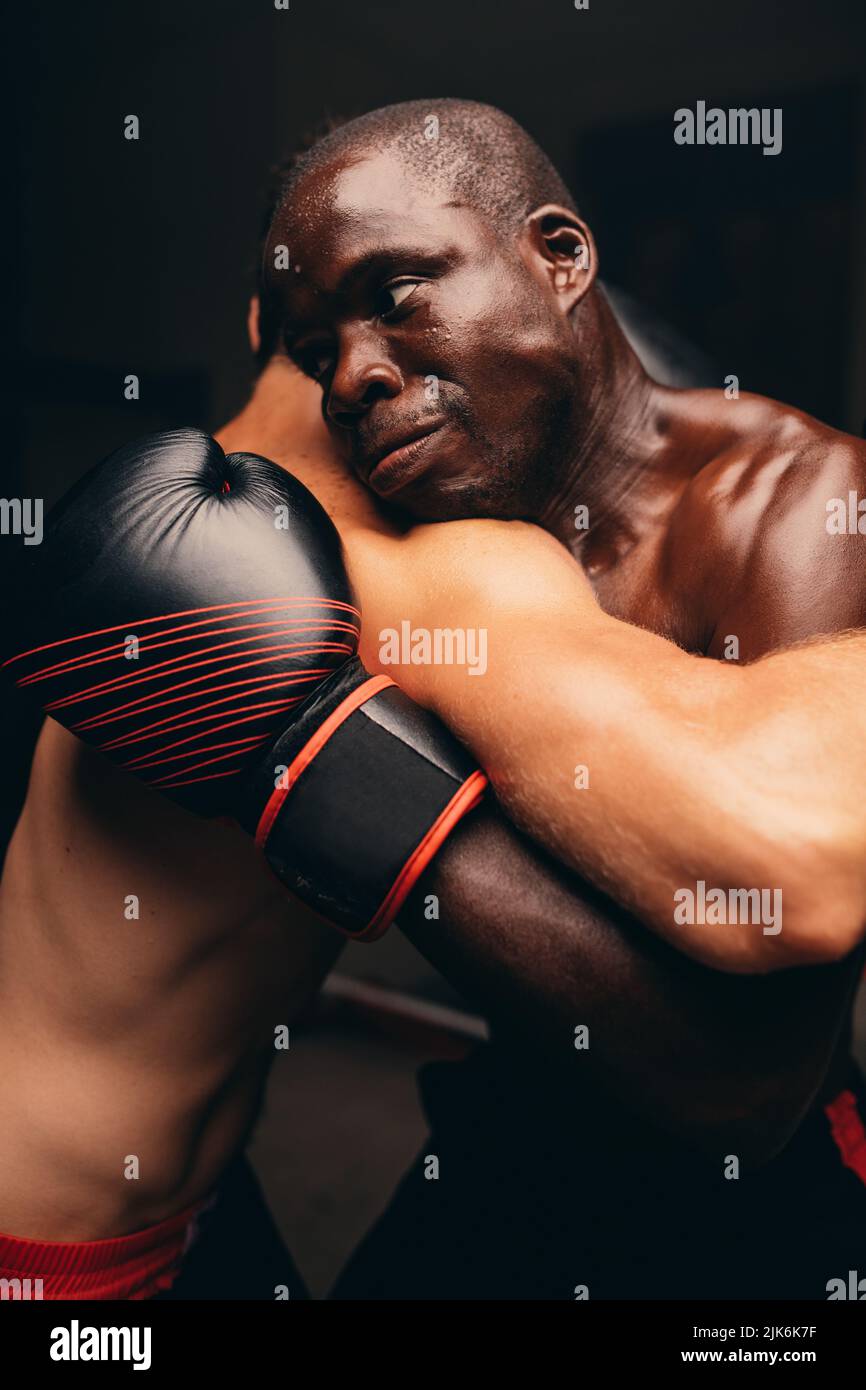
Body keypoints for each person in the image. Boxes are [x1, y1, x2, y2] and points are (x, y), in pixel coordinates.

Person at [217, 97, 866, 1298]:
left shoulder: (795, 507)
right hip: (509, 1117)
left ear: (557, 258)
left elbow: (743, 1092)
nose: (353, 375)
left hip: (746, 1199)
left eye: (395, 292)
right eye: (318, 354)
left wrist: (327, 770)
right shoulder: (434, 528)